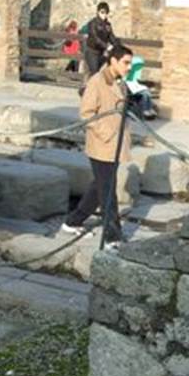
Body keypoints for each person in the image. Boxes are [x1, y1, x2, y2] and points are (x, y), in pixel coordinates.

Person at [62, 46, 134, 247]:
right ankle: (113, 237)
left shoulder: (119, 81)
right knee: (108, 192)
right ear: (113, 61)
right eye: (125, 63)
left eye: (130, 63)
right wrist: (107, 133)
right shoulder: (97, 82)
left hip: (115, 145)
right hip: (102, 145)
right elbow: (86, 114)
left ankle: (73, 221)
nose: (129, 67)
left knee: (100, 187)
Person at [83, 1, 120, 78]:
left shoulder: (108, 25)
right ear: (98, 12)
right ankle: (89, 88)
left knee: (100, 73)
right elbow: (95, 38)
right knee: (95, 73)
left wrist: (118, 46)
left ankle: (88, 87)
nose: (104, 15)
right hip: (91, 52)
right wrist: (106, 46)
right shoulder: (92, 23)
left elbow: (111, 37)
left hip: (101, 52)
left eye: (106, 13)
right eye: (102, 12)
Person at [125, 55, 158, 120]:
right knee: (145, 93)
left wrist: (143, 86)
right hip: (131, 91)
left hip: (135, 89)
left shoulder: (133, 75)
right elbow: (129, 85)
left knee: (147, 92)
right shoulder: (126, 74)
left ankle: (149, 109)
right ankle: (145, 110)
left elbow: (136, 83)